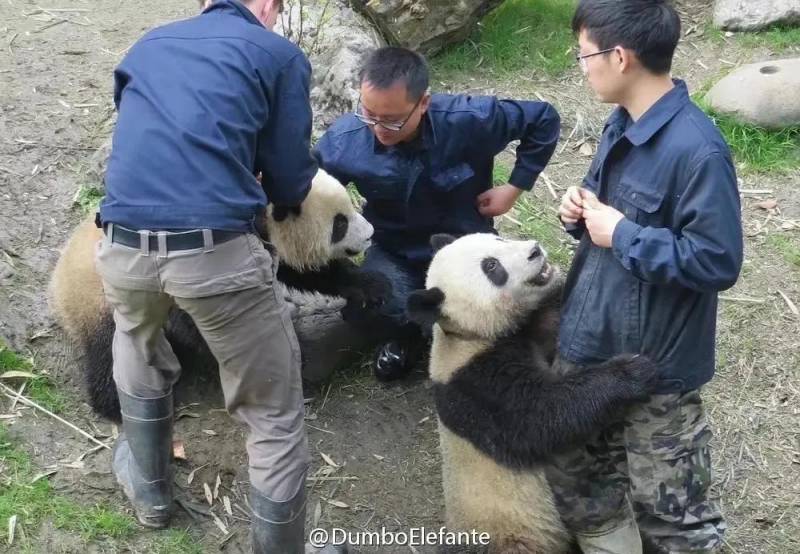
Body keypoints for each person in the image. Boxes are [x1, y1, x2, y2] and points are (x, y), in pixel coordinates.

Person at [94, 1, 341, 552]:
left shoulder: (150, 44)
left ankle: (151, 493)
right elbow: (288, 183)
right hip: (213, 254)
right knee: (272, 409)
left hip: (121, 243)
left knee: (137, 346)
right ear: (270, 6)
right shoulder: (277, 54)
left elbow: (148, 137)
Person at [550, 1, 743, 553]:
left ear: (620, 56)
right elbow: (604, 215)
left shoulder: (697, 149)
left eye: (584, 53)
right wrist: (579, 210)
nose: (581, 65)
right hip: (593, 344)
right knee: (578, 477)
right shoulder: (622, 122)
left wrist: (625, 234)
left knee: (673, 513)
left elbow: (717, 260)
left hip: (655, 368)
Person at [314, 46, 561, 381]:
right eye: (369, 114)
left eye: (392, 120)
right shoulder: (345, 140)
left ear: (424, 103)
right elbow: (310, 188)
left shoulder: (469, 120)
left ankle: (458, 342)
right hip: (395, 250)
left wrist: (515, 187)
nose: (379, 129)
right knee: (366, 306)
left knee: (491, 323)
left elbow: (543, 119)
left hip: (466, 251)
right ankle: (407, 340)